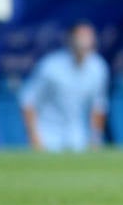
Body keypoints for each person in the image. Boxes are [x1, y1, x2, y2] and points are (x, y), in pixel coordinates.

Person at [18, 20, 109, 152]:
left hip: (77, 138)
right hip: (47, 135)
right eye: (81, 37)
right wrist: (35, 137)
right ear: (70, 39)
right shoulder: (50, 66)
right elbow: (27, 101)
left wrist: (95, 140)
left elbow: (98, 106)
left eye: (88, 37)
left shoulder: (99, 68)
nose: (85, 42)